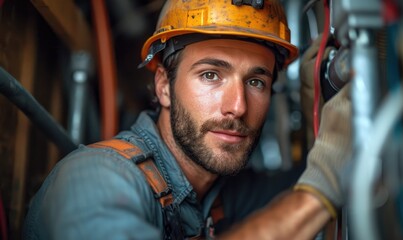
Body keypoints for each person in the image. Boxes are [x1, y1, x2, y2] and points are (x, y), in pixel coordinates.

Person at [23, 0, 352, 239]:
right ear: (164, 86)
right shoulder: (95, 180)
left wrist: (320, 110)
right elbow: (318, 183)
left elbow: (322, 171)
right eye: (211, 75)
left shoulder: (218, 192)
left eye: (256, 82)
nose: (237, 107)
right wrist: (317, 197)